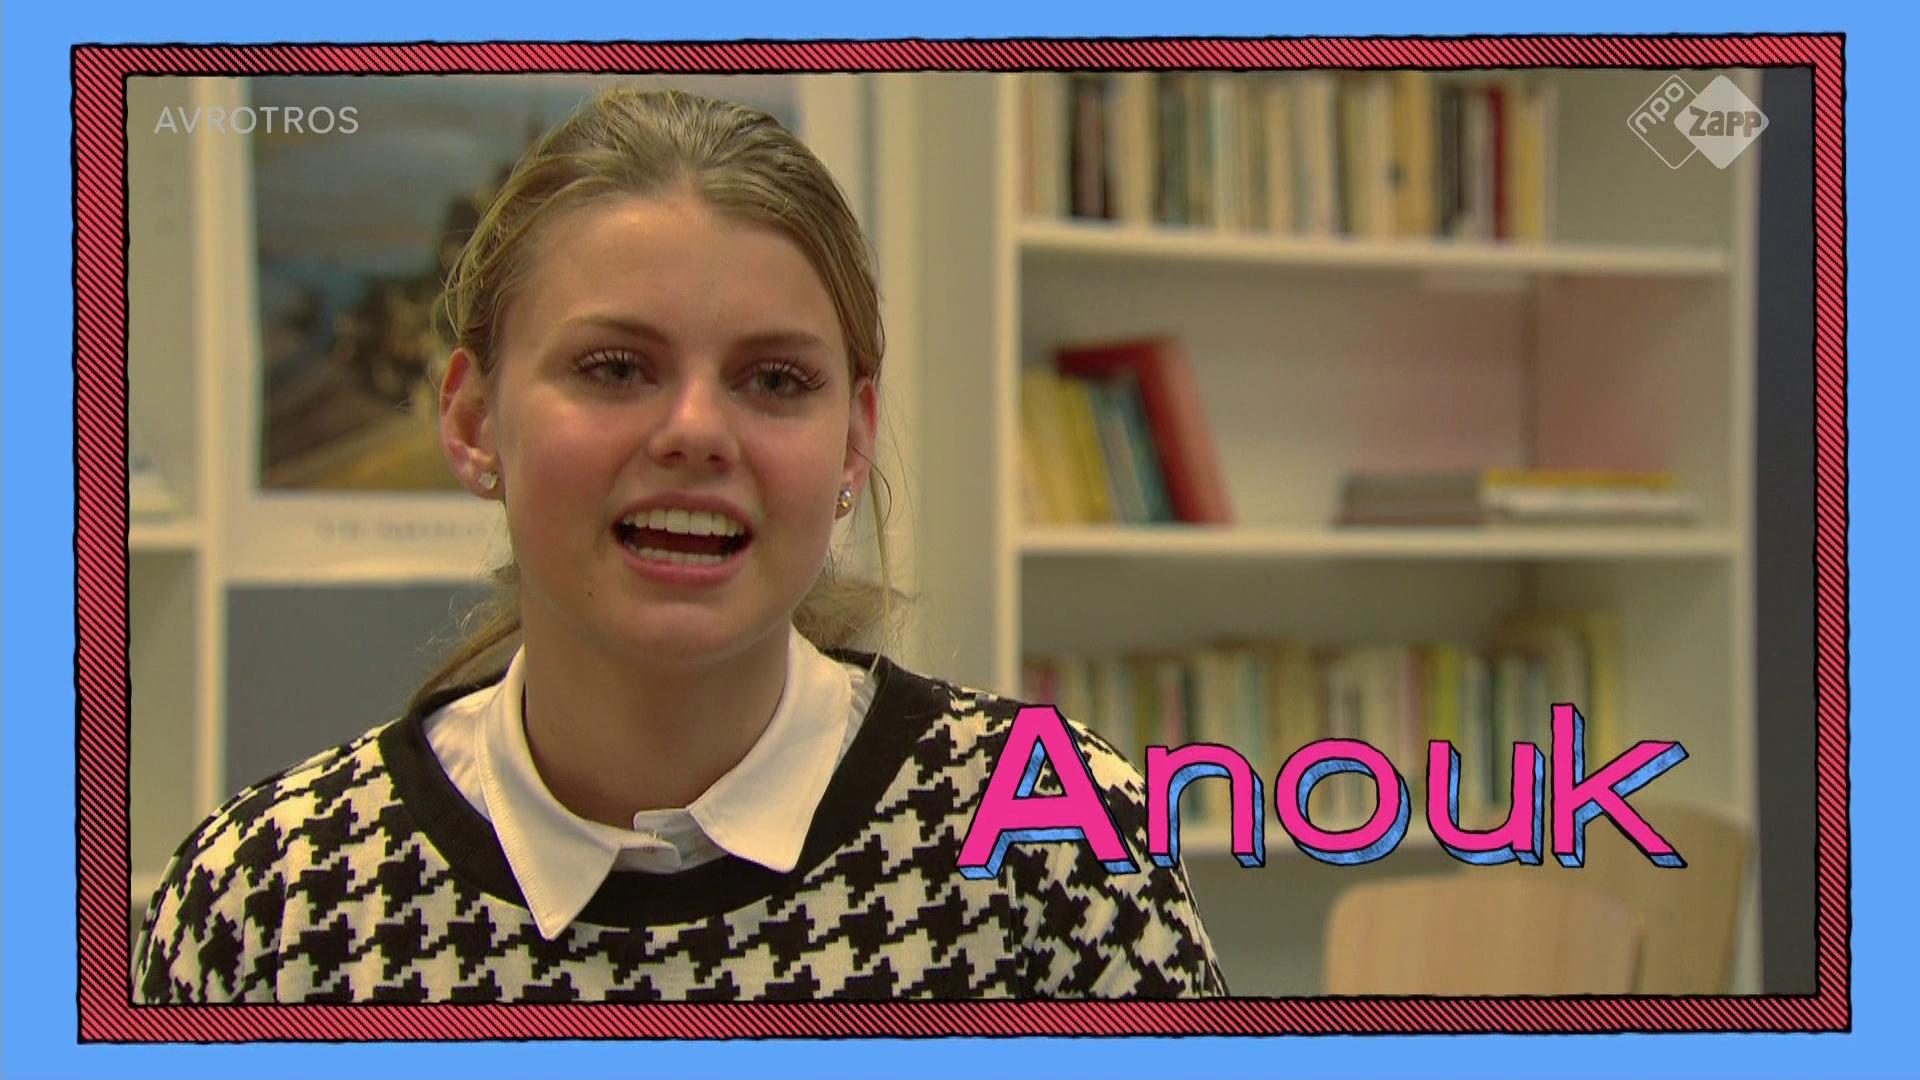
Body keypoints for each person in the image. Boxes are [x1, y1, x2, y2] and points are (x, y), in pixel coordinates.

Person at [133, 87, 1226, 1003]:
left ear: (854, 438)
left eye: (774, 380)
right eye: (616, 368)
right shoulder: (272, 905)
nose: (697, 431)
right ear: (472, 421)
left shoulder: (1055, 850)